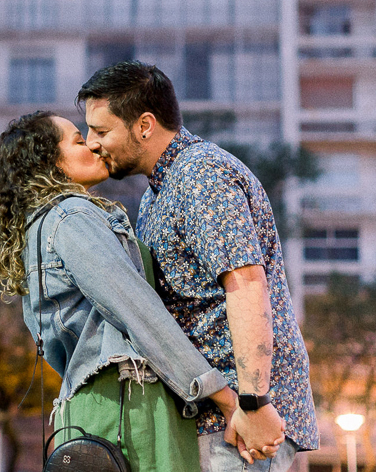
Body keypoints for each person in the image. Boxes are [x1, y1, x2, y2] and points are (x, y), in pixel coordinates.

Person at [0, 111, 269, 472]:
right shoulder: (71, 218)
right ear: (49, 161)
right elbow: (139, 312)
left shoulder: (38, 228)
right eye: (78, 140)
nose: (92, 145)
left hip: (93, 407)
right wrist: (227, 398)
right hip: (129, 404)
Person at [77, 62, 320, 472]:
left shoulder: (201, 175)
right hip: (218, 415)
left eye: (100, 131)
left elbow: (246, 285)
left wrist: (254, 402)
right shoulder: (159, 191)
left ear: (145, 126)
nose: (91, 143)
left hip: (238, 420)